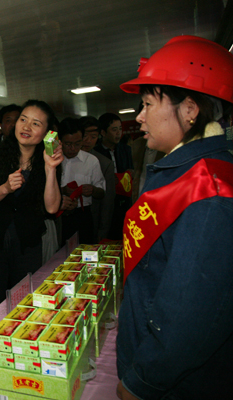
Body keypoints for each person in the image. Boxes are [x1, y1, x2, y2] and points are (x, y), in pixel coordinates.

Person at [117, 35, 233, 400]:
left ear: (190, 110)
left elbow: (191, 312)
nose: (139, 116)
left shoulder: (211, 188)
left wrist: (141, 382)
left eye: (148, 104)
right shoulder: (182, 170)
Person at [0, 100, 63, 306]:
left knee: (25, 300)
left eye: (36, 124)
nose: (26, 127)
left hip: (28, 243)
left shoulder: (49, 159)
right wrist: (5, 188)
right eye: (23, 120)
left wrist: (50, 168)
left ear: (47, 133)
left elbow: (52, 208)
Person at [58, 118, 105, 245]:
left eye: (78, 143)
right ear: (60, 141)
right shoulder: (52, 159)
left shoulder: (91, 161)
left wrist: (93, 190)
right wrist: (62, 191)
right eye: (68, 144)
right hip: (58, 216)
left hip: (82, 216)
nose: (73, 148)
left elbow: (102, 192)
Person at [95, 112, 134, 239]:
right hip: (105, 202)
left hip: (124, 202)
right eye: (114, 130)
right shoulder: (96, 153)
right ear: (103, 132)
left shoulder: (126, 150)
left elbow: (131, 171)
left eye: (120, 129)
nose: (118, 133)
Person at [79, 116, 116, 241]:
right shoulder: (65, 157)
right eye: (85, 136)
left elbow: (108, 202)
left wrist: (103, 230)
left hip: (92, 221)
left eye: (93, 137)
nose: (88, 141)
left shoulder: (104, 163)